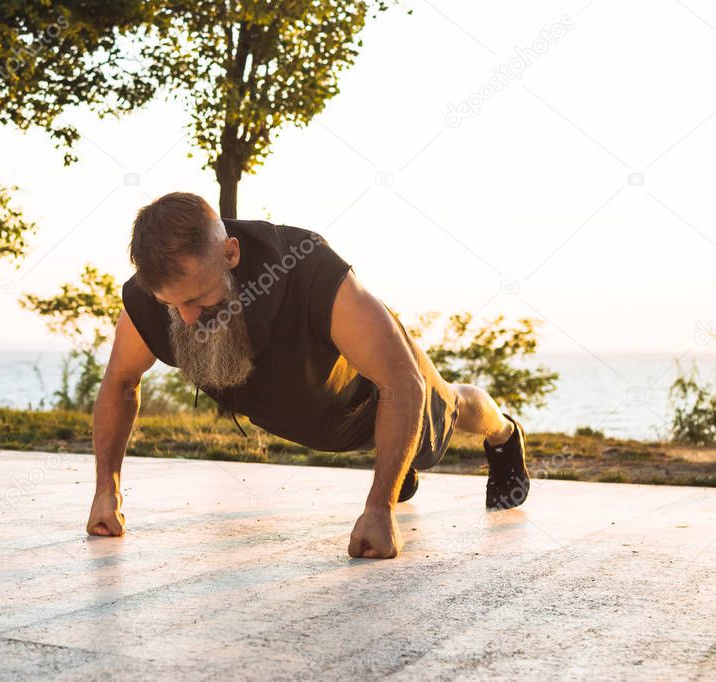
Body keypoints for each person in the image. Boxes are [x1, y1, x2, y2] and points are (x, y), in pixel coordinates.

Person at [85, 192, 530, 559]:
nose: (186, 319)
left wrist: (380, 507)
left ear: (231, 253)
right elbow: (121, 383)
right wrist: (108, 491)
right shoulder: (158, 302)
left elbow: (402, 382)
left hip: (372, 400)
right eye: (171, 304)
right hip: (307, 414)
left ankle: (504, 436)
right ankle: (396, 465)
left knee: (453, 405)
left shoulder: (308, 268)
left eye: (199, 300)